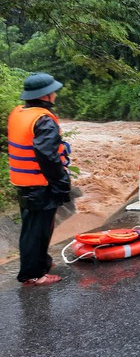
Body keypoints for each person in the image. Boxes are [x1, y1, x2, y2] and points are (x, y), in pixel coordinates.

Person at [7, 73, 71, 286]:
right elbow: (48, 156)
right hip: (40, 184)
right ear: (46, 96)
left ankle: (41, 263)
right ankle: (33, 275)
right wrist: (61, 184)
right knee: (37, 231)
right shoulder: (43, 120)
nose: (55, 94)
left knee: (33, 226)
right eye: (53, 91)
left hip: (23, 182)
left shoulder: (19, 112)